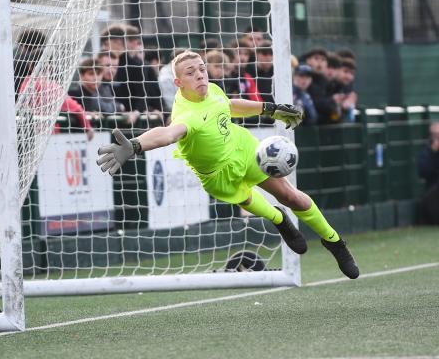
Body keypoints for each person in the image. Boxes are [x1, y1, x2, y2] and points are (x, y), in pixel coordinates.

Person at [96, 50, 359, 279]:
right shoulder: (187, 115)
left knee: (294, 198)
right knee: (248, 201)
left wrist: (269, 108)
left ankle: (335, 243)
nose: (200, 75)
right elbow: (166, 133)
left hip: (243, 150)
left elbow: (229, 105)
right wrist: (135, 145)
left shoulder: (211, 89)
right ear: (178, 82)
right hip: (217, 175)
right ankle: (278, 219)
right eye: (191, 72)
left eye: (201, 69)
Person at [19, 48, 94, 141]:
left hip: (27, 136)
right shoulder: (51, 86)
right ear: (51, 66)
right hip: (50, 136)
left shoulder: (25, 84)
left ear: (30, 66)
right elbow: (74, 107)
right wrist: (87, 127)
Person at [417, 122, 439, 225]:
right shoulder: (426, 151)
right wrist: (433, 153)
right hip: (433, 186)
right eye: (434, 134)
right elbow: (424, 172)